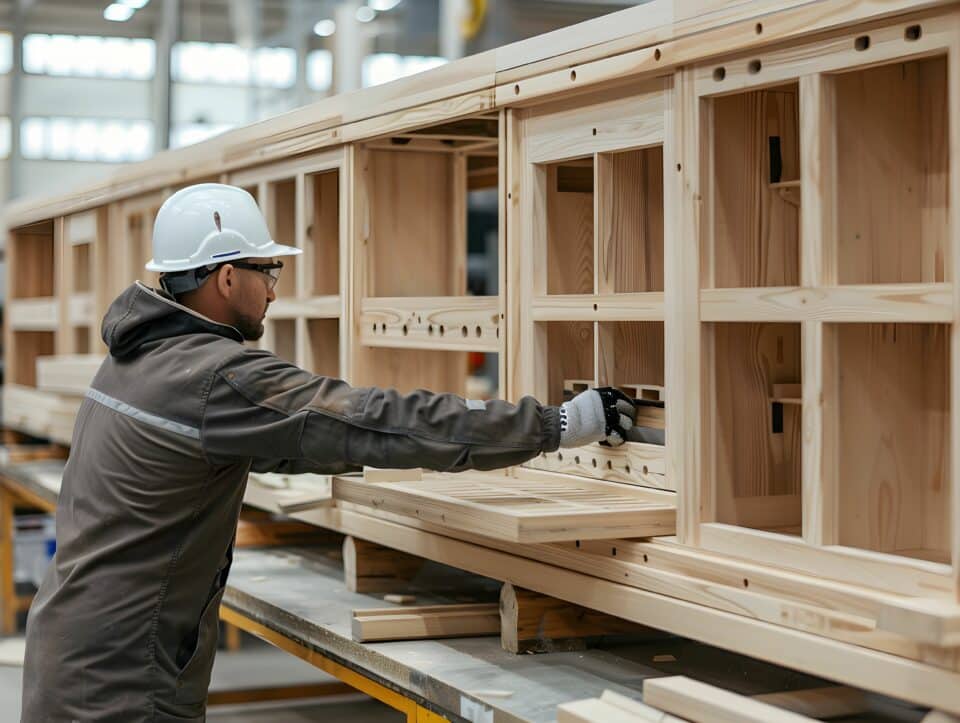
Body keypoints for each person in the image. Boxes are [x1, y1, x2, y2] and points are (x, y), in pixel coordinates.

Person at [21, 183, 640, 723]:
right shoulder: (215, 376)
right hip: (122, 686)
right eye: (268, 271)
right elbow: (373, 419)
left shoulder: (136, 359)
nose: (273, 291)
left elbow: (258, 444)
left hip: (75, 658)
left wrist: (354, 455)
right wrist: (556, 423)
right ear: (226, 277)